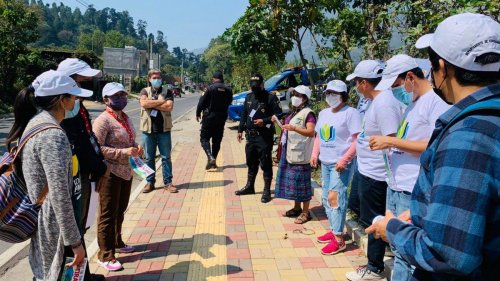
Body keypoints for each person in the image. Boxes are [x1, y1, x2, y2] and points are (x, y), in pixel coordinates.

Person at [366, 13, 500, 281]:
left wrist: (390, 229)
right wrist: (422, 214)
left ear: (442, 67)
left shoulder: (468, 135)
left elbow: (447, 254)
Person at [367, 54, 451, 280]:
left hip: (411, 188)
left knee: (408, 252)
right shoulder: (411, 104)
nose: (395, 91)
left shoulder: (435, 102)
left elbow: (436, 146)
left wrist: (391, 141)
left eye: (396, 86)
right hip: (396, 186)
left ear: (410, 77)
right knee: (397, 250)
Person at [6, 70, 90, 280]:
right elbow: (59, 195)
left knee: (43, 273)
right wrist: (75, 242)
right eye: (73, 96)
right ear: (62, 100)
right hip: (52, 224)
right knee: (52, 274)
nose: (77, 101)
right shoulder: (53, 135)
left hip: (42, 218)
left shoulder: (36, 123)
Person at [344, 60, 405, 281]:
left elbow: (391, 140)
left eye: (357, 83)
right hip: (366, 168)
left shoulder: (385, 103)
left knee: (374, 218)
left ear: (364, 84)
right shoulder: (373, 101)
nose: (356, 88)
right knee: (358, 208)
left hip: (377, 173)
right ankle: (382, 247)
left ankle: (374, 267)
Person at [93, 82, 144, 271]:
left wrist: (136, 147)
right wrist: (124, 152)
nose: (121, 99)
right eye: (116, 96)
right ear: (106, 99)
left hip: (126, 171)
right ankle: (105, 254)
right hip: (109, 172)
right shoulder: (103, 121)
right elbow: (97, 148)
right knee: (107, 214)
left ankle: (117, 242)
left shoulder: (125, 117)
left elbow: (130, 141)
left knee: (120, 210)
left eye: (123, 95)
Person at [311, 80, 361, 254]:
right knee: (326, 197)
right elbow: (318, 137)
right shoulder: (324, 113)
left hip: (340, 164)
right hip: (325, 162)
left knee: (335, 199)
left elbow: (357, 140)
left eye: (334, 93)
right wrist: (314, 154)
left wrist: (345, 159)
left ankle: (339, 239)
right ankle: (333, 230)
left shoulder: (351, 113)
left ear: (343, 95)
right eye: (327, 93)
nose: (330, 96)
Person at [235, 73, 282, 203]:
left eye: (257, 86)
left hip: (264, 137)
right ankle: (250, 187)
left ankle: (266, 190)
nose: (254, 88)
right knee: (251, 162)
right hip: (250, 136)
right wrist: (240, 129)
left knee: (265, 163)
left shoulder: (270, 98)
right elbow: (244, 113)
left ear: (262, 84)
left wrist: (264, 120)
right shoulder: (249, 96)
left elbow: (278, 115)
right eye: (252, 86)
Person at [273, 85, 316, 224]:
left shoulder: (308, 113)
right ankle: (297, 208)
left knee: (303, 184)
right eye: (294, 94)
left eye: (298, 95)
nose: (294, 97)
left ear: (304, 98)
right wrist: (279, 123)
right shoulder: (294, 113)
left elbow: (310, 132)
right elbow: (288, 131)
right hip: (290, 151)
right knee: (294, 184)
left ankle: (305, 212)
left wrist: (294, 128)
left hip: (302, 154)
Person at [139, 69, 176, 193]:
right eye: (154, 77)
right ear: (149, 79)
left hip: (164, 130)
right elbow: (143, 103)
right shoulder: (145, 91)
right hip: (148, 131)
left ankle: (168, 183)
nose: (157, 80)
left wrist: (151, 104)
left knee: (166, 157)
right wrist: (160, 101)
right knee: (149, 158)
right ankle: (150, 182)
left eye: (159, 77)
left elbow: (169, 107)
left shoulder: (167, 91)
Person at [196, 71, 233, 170]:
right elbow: (230, 102)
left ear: (213, 79)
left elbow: (201, 102)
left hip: (209, 117)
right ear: (222, 78)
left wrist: (198, 113)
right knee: (217, 140)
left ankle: (210, 157)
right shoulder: (229, 89)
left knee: (204, 138)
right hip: (221, 117)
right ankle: (213, 162)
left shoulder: (209, 88)